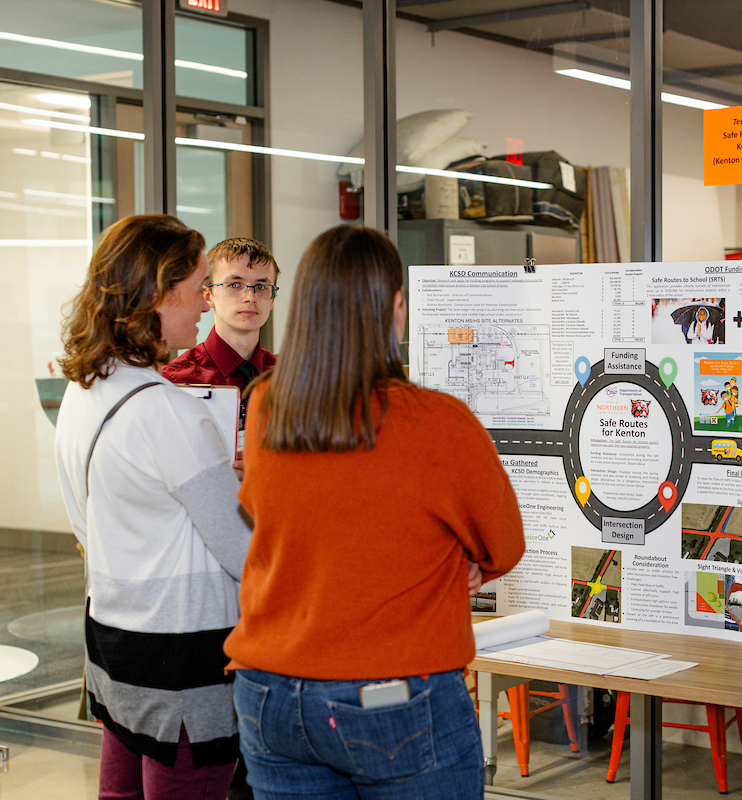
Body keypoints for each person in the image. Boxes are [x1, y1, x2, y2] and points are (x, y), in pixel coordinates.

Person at [223, 225, 526, 800]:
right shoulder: (438, 422)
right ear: (396, 307)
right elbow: (504, 546)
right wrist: (455, 565)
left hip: (270, 696)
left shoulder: (266, 405)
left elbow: (277, 517)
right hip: (392, 697)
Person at [54, 215, 251, 800]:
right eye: (197, 287)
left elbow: (88, 521)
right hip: (185, 650)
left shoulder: (85, 387)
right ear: (159, 294)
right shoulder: (168, 409)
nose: (204, 305)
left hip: (115, 634)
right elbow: (244, 552)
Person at [163, 237, 279, 440]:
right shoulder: (176, 381)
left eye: (261, 287)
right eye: (235, 284)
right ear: (208, 296)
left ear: (272, 300)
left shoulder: (288, 378)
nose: (249, 297)